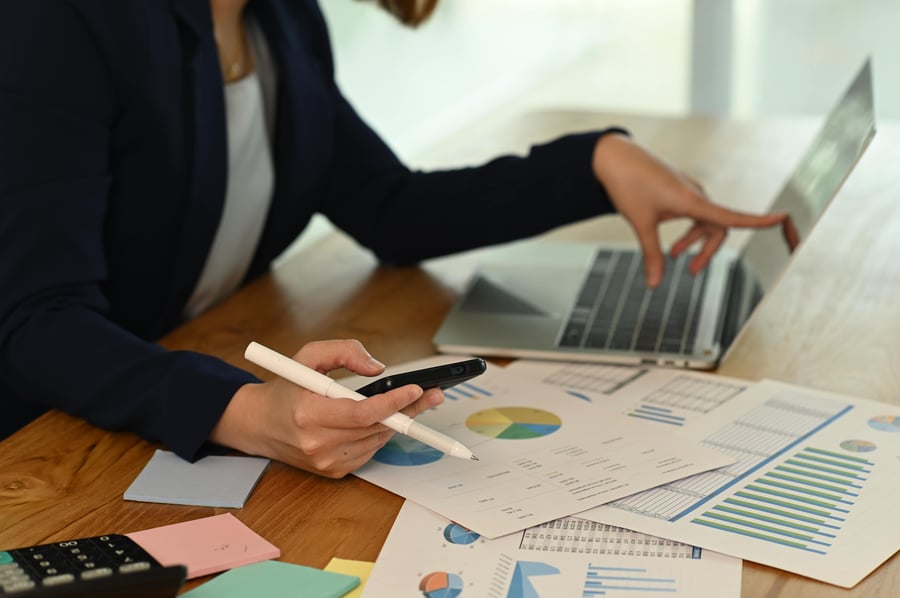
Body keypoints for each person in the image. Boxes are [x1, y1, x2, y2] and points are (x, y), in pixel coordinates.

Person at [0, 0, 788, 479]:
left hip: (159, 401)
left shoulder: (278, 19)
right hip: (40, 444)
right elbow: (38, 321)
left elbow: (387, 205)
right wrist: (245, 414)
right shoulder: (61, 19)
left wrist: (592, 164)